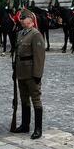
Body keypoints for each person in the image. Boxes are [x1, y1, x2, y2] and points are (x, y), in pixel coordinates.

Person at [14, 9, 46, 140]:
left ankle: (38, 128)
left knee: (36, 100)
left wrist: (37, 74)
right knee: (24, 99)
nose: (21, 20)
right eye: (21, 18)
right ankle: (25, 124)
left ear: (31, 21)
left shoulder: (36, 34)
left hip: (31, 72)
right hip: (21, 71)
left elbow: (39, 57)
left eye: (24, 18)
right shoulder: (21, 33)